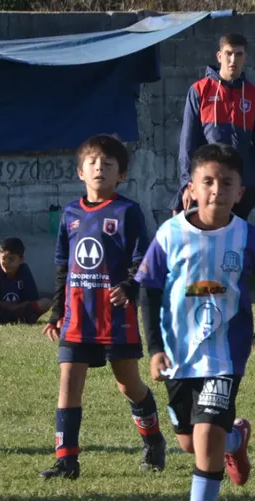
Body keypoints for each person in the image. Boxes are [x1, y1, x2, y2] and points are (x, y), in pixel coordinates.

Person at [134, 143, 255, 501]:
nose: (216, 189)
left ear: (240, 191)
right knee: (189, 442)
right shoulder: (169, 234)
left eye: (226, 182)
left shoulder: (247, 237)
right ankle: (235, 440)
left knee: (204, 437)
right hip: (177, 356)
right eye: (208, 181)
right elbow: (147, 291)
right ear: (192, 188)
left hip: (224, 355)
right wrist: (154, 349)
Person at [39, 134, 167, 480]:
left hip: (115, 318)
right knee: (68, 381)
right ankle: (67, 461)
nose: (100, 169)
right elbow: (63, 268)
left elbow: (143, 260)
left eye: (108, 164)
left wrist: (128, 286)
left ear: (121, 175)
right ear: (81, 171)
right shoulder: (70, 214)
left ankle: (153, 439)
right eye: (93, 163)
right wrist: (56, 312)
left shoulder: (127, 212)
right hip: (78, 317)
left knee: (128, 385)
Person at [171, 33, 255, 221]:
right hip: (207, 185)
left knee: (233, 244)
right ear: (219, 56)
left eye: (239, 54)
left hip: (240, 189)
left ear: (245, 58)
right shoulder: (199, 90)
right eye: (228, 53)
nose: (233, 60)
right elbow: (187, 143)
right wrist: (187, 183)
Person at [0, 237, 52, 324]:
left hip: (20, 309)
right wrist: (7, 306)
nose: (6, 263)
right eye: (3, 258)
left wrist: (17, 307)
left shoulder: (24, 270)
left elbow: (32, 299)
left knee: (46, 302)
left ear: (21, 260)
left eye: (11, 259)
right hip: (1, 310)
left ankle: (22, 318)